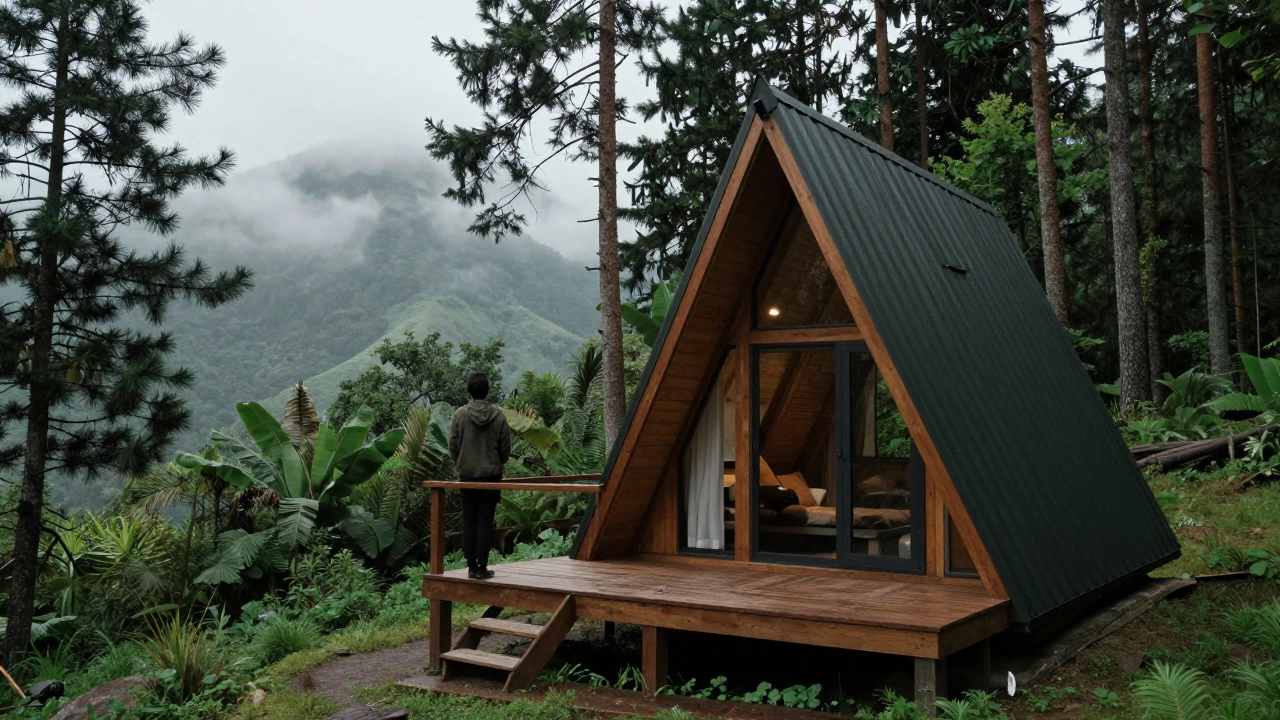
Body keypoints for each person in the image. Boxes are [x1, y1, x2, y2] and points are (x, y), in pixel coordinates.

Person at [449, 372, 511, 580]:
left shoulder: (459, 415)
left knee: (469, 521)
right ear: (487, 390)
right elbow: (505, 448)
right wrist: (496, 463)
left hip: (467, 477)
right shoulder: (499, 416)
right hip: (491, 477)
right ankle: (482, 566)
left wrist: (460, 464)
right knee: (485, 520)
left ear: (469, 391)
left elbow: (453, 445)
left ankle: (470, 566)